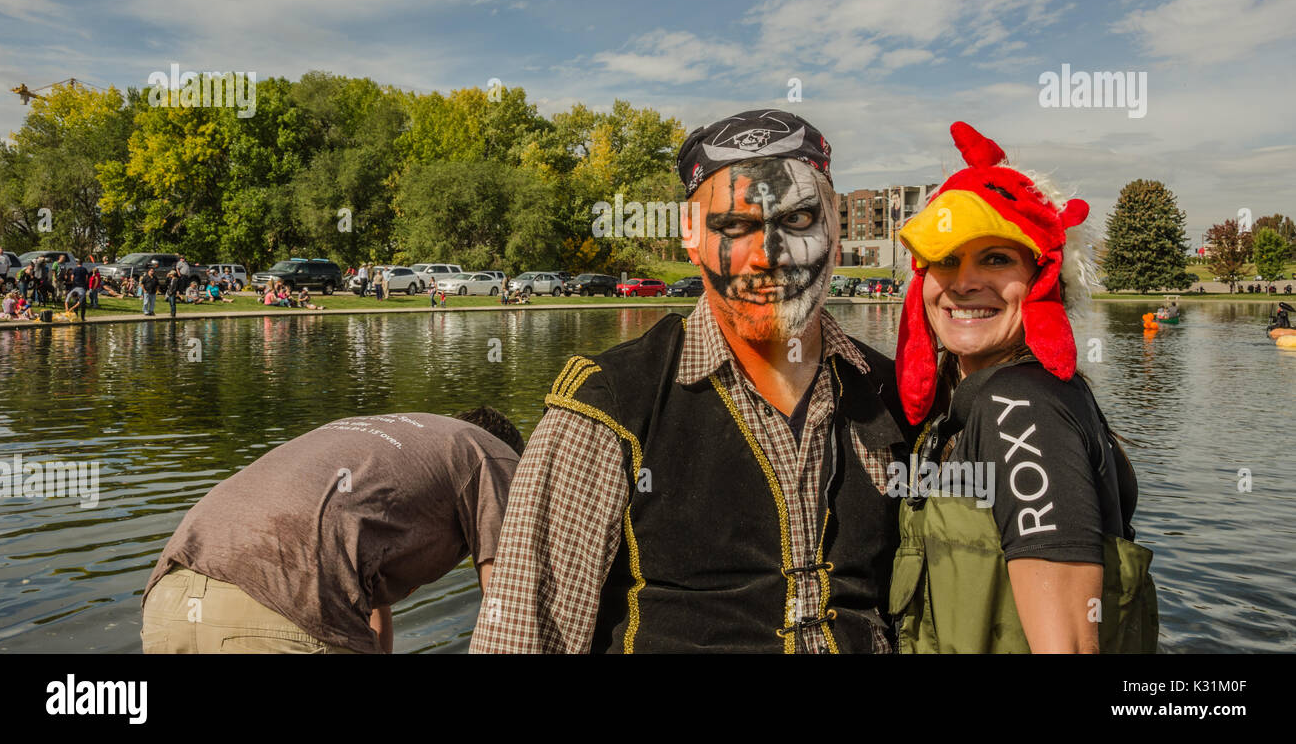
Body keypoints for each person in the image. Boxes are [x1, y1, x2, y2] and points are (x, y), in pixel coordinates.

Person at [471, 108, 913, 654]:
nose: (768, 257)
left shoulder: (892, 392)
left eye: (798, 221)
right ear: (691, 239)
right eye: (734, 226)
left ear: (835, 234)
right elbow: (521, 635)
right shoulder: (610, 406)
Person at [890, 122, 1157, 653]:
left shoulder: (1019, 404)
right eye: (946, 259)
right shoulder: (978, 401)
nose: (964, 282)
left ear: (1043, 280)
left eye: (996, 258)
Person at [141, 407, 523, 654]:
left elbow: (369, 599)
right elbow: (505, 599)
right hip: (283, 614)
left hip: (169, 602)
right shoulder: (493, 453)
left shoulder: (387, 442)